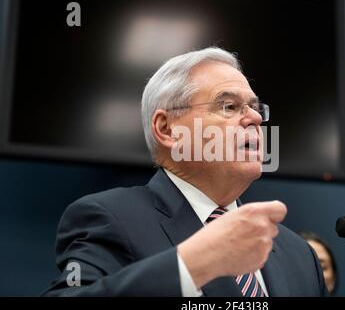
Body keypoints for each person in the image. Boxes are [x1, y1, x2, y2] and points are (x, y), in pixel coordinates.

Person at [44, 47, 327, 297]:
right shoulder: (109, 219)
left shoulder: (300, 254)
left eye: (255, 108)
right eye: (229, 106)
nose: (254, 118)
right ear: (167, 129)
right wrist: (192, 265)